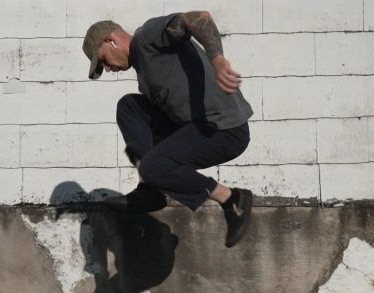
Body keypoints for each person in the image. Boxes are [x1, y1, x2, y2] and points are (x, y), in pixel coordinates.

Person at [82, 11, 254, 247]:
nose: (108, 69)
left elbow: (197, 18)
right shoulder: (145, 76)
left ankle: (232, 199)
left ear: (111, 41)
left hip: (224, 129)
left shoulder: (148, 37)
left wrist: (217, 58)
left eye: (103, 60)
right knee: (129, 107)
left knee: (155, 166)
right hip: (196, 128)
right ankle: (149, 190)